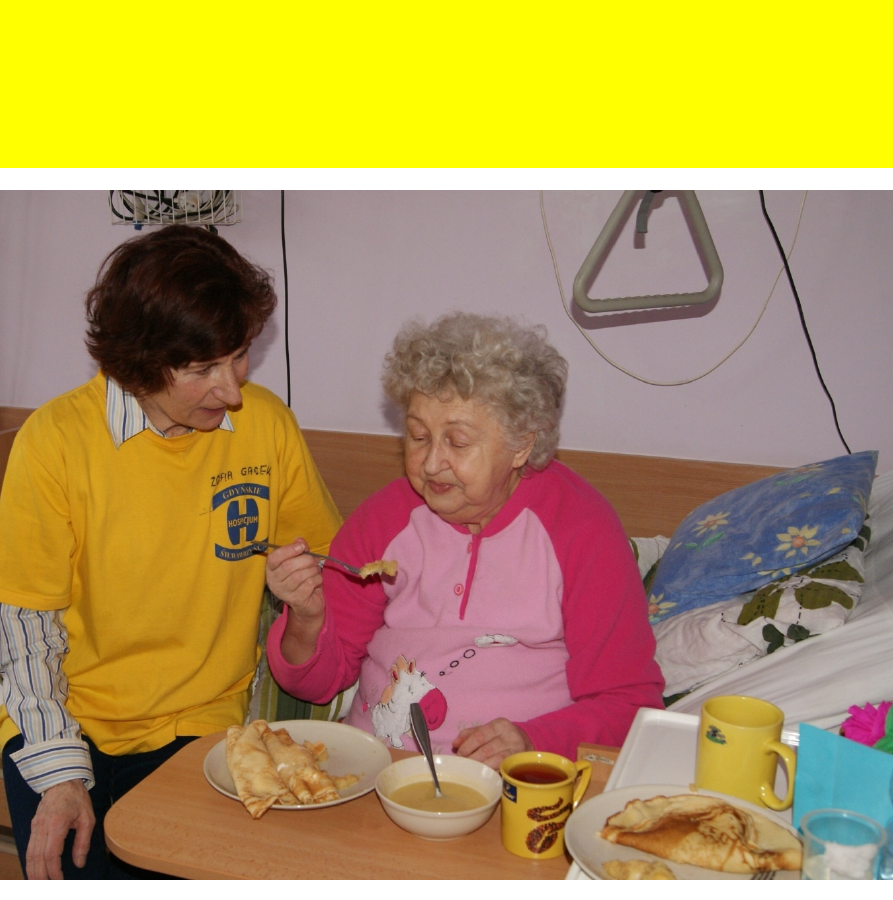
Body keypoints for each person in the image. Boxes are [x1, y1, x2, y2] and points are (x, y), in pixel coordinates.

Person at [0, 225, 342, 879]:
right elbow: (27, 627)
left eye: (239, 357)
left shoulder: (264, 424)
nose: (232, 390)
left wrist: (309, 592)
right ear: (137, 362)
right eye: (202, 370)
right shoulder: (55, 441)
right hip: (69, 718)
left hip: (199, 724)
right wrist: (60, 774)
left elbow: (331, 562)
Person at [264, 312, 663, 768]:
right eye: (418, 436)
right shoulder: (383, 521)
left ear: (521, 445)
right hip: (375, 770)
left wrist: (532, 741)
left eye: (457, 442)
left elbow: (629, 703)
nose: (431, 463)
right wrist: (306, 618)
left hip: (511, 781)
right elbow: (316, 684)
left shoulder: (582, 529)